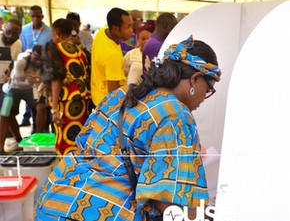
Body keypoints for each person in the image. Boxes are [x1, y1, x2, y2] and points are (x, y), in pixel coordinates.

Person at [34, 35, 221, 220]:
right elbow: (168, 202)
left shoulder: (123, 93)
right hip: (103, 211)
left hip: (55, 199)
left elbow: (85, 142)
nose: (204, 98)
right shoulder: (175, 114)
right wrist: (211, 214)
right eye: (209, 89)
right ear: (195, 79)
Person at [44, 18, 90, 155]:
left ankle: (65, 173)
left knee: (64, 141)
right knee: (78, 138)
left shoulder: (54, 49)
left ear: (57, 33)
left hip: (66, 101)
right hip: (82, 100)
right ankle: (77, 171)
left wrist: (54, 110)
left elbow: (56, 79)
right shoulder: (80, 51)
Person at [0, 45, 46, 154]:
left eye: (41, 59)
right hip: (14, 86)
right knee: (5, 113)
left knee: (41, 108)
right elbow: (18, 81)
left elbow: (46, 78)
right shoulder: (22, 60)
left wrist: (37, 80)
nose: (38, 62)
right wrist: (32, 81)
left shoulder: (46, 61)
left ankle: (38, 140)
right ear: (31, 56)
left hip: (32, 88)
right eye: (36, 59)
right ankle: (7, 144)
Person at [19, 5, 52, 128]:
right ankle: (35, 129)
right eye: (33, 16)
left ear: (42, 16)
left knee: (43, 101)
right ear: (30, 16)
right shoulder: (24, 30)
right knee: (32, 102)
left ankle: (44, 129)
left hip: (44, 70)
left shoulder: (49, 31)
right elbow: (21, 50)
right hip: (29, 70)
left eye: (38, 16)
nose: (36, 18)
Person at [91, 7, 132, 106]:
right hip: (106, 103)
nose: (131, 30)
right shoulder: (113, 56)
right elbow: (114, 94)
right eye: (128, 27)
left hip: (96, 94)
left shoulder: (102, 32)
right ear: (115, 28)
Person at [0, 19, 22, 154]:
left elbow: (13, 62)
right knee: (6, 113)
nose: (10, 36)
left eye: (15, 34)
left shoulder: (18, 44)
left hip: (7, 83)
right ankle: (15, 141)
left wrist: (11, 72)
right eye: (8, 32)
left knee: (7, 112)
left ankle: (6, 146)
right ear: (3, 28)